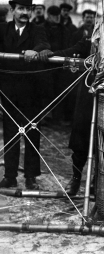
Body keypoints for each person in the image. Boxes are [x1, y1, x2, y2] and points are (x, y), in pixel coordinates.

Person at [38, 9, 104, 195]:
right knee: (81, 139)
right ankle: (75, 179)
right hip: (88, 97)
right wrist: (51, 55)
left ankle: (96, 181)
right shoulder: (93, 42)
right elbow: (71, 51)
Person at [0, 0, 50, 189]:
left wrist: (34, 51)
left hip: (31, 91)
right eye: (21, 9)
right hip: (8, 91)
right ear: (12, 10)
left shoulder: (37, 29)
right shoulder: (3, 29)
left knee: (31, 134)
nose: (25, 13)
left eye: (28, 9)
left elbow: (44, 44)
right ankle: (10, 175)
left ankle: (30, 176)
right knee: (11, 134)